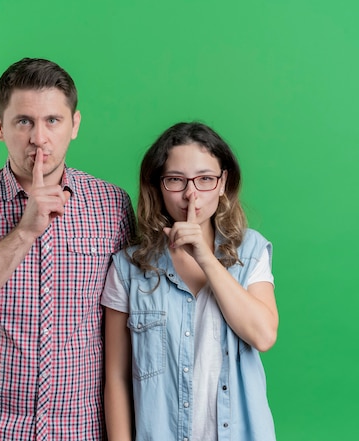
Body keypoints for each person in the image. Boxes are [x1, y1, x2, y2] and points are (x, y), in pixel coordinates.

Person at [0, 58, 136, 441]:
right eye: (24, 121)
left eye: (52, 121)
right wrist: (26, 230)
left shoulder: (113, 205)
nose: (38, 137)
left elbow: (129, 322)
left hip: (83, 431)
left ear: (74, 125)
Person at [102, 122, 278, 441]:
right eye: (175, 180)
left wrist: (205, 257)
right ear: (158, 185)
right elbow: (116, 378)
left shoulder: (251, 251)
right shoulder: (128, 268)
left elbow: (263, 335)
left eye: (205, 179)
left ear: (223, 183)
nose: (191, 194)